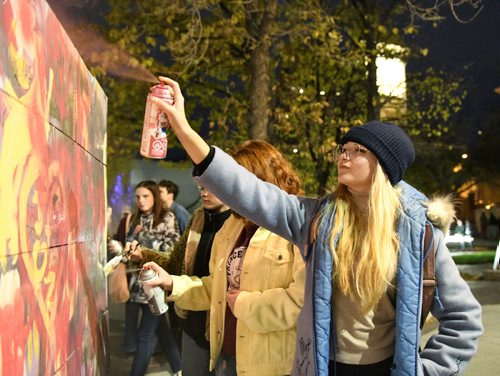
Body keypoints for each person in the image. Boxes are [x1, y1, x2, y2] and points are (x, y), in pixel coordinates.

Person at [146, 76, 483, 376]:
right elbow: (246, 190)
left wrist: (427, 369)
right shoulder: (318, 219)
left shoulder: (418, 234)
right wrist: (184, 129)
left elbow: (463, 320)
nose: (344, 156)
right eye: (343, 148)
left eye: (358, 150)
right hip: (322, 365)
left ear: (383, 165)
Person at [142, 140, 307, 375]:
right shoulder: (233, 226)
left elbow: (300, 302)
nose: (225, 191)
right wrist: (171, 283)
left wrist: (244, 304)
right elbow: (216, 288)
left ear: (259, 181)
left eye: (233, 184)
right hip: (226, 355)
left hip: (271, 364)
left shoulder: (296, 226)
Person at [129, 183, 231, 376]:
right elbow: (175, 261)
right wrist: (142, 255)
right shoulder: (199, 217)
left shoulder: (239, 222)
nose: (203, 191)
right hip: (192, 322)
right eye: (200, 186)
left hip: (224, 327)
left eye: (209, 184)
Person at [123, 180, 182, 376]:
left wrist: (144, 245)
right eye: (138, 197)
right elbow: (129, 249)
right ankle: (179, 369)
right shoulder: (136, 219)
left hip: (156, 284)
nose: (141, 200)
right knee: (162, 333)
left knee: (145, 336)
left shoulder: (167, 217)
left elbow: (171, 252)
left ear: (155, 197)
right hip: (137, 286)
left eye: (145, 196)